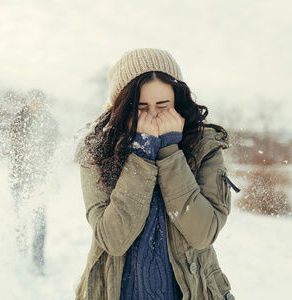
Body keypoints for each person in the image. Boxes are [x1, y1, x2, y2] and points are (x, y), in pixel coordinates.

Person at [75, 48, 237, 299]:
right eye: (140, 107)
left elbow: (202, 233)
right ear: (121, 107)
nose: (152, 116)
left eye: (163, 106)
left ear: (178, 101)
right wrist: (142, 154)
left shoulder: (204, 146)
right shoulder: (98, 151)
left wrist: (170, 152)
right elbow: (113, 240)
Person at [9, 90, 58, 275]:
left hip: (39, 182)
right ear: (28, 103)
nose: (38, 105)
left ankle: (38, 263)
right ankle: (20, 253)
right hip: (20, 180)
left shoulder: (50, 123)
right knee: (21, 219)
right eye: (34, 102)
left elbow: (53, 152)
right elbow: (18, 149)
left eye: (41, 102)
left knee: (40, 223)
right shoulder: (20, 120)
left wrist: (51, 176)